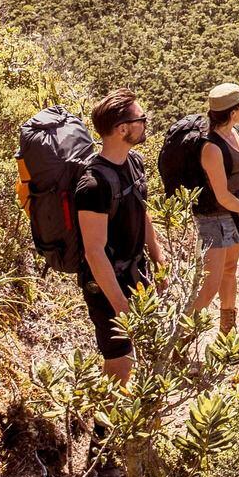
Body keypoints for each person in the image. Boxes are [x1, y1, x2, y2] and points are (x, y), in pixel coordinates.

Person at [76, 88, 166, 385]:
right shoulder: (93, 184)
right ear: (122, 129)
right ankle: (104, 429)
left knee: (138, 353)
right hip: (105, 284)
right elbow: (94, 252)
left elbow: (143, 213)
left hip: (136, 272)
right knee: (120, 360)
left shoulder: (135, 162)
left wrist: (159, 262)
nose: (145, 122)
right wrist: (122, 307)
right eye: (141, 118)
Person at [185, 82, 239, 335]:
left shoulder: (236, 134)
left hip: (235, 211)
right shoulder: (211, 148)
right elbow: (222, 196)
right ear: (232, 112)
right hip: (213, 217)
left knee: (230, 270)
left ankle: (227, 327)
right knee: (210, 283)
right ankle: (182, 337)